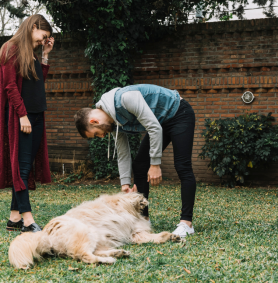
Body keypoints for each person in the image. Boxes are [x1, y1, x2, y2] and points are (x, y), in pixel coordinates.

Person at [74, 84, 196, 238]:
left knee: (182, 165)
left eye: (97, 134)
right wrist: (125, 184)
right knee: (140, 164)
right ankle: (143, 220)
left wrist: (155, 164)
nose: (102, 136)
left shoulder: (125, 99)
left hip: (179, 113)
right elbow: (123, 153)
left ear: (94, 122)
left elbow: (154, 128)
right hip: (160, 122)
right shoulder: (113, 122)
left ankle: (187, 223)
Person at [0, 14, 55, 233]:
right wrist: (22, 115)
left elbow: (37, 82)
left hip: (36, 115)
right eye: (44, 35)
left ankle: (14, 218)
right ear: (33, 27)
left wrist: (45, 56)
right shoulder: (10, 49)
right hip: (21, 117)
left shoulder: (30, 53)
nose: (44, 40)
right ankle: (28, 221)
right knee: (21, 168)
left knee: (25, 167)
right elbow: (10, 87)